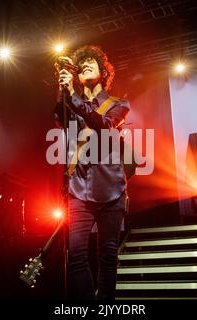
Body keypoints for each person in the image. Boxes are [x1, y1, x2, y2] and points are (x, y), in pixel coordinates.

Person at [55, 45, 130, 300]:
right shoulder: (72, 102)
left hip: (112, 191)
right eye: (82, 63)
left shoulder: (119, 105)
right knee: (76, 256)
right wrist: (63, 87)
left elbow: (103, 125)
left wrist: (73, 97)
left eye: (91, 63)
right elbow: (59, 116)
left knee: (107, 256)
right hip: (78, 192)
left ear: (103, 73)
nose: (86, 64)